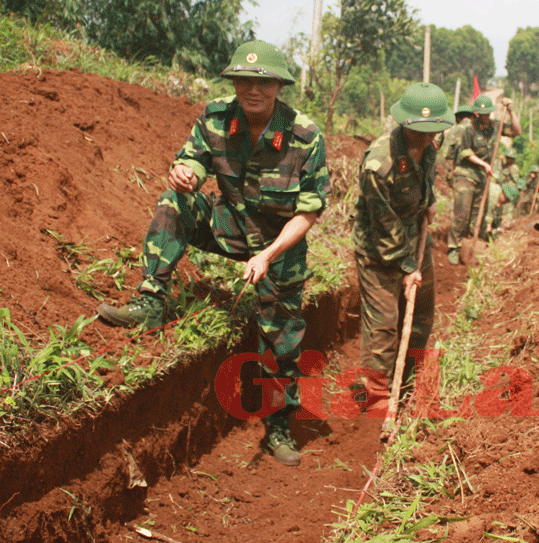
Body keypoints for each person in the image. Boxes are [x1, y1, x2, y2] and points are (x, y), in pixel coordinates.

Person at [96, 40, 330, 466]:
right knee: (174, 201)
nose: (251, 90)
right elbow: (193, 159)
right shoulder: (216, 115)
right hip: (229, 226)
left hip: (280, 247)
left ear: (278, 85)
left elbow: (308, 212)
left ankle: (278, 428)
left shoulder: (305, 136)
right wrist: (186, 174)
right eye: (243, 80)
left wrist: (268, 255)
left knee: (281, 342)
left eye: (262, 82)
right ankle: (151, 302)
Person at [352, 83, 454, 414]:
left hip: (414, 234)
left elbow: (425, 180)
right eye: (419, 130)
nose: (426, 137)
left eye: (432, 130)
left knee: (422, 315)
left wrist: (429, 202)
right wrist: (407, 267)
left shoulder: (430, 145)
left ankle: (407, 382)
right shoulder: (378, 165)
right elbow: (384, 226)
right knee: (384, 323)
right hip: (379, 247)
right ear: (404, 122)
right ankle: (376, 394)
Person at [446, 94, 522, 265]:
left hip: (483, 176)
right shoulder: (469, 129)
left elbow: (517, 131)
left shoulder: (497, 126)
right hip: (466, 173)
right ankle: (454, 247)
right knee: (462, 213)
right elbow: (465, 152)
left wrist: (510, 111)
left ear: (491, 113)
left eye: (487, 113)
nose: (484, 117)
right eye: (481, 114)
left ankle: (473, 245)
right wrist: (484, 164)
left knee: (477, 214)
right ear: (477, 114)